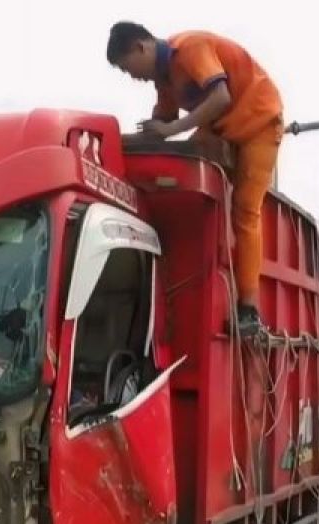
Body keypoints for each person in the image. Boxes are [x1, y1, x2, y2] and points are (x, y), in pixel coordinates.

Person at [106, 22, 283, 332]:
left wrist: (172, 130)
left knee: (244, 209)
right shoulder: (164, 83)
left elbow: (221, 97)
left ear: (141, 48)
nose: (130, 76)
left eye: (127, 67)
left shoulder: (190, 49)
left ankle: (249, 309)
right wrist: (111, 139)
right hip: (221, 128)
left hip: (258, 121)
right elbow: (157, 133)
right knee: (192, 169)